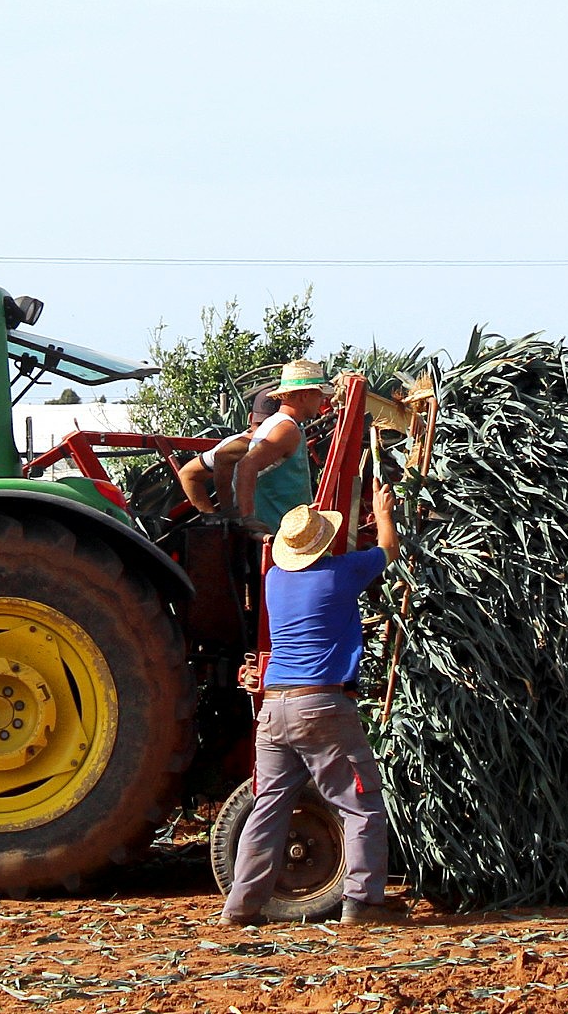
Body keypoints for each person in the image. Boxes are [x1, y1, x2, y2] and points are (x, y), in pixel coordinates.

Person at [221, 488, 403, 927]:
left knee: (268, 808)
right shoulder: (340, 574)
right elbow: (389, 550)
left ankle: (240, 907)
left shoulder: (274, 580)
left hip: (274, 708)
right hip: (321, 706)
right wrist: (383, 513)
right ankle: (363, 903)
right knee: (361, 803)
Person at [235, 360, 332, 536]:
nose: (322, 401)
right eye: (319, 395)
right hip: (282, 535)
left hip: (284, 533)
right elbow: (246, 465)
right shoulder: (287, 430)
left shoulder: (278, 424)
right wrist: (248, 518)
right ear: (304, 396)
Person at [180, 387, 277, 516]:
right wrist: (221, 515)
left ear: (250, 418)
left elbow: (188, 474)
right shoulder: (235, 444)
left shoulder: (234, 443)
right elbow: (188, 474)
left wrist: (218, 516)